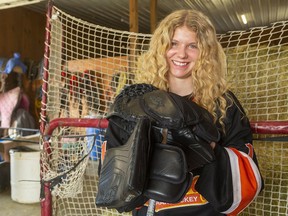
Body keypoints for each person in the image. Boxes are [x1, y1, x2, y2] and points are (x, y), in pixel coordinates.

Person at [97, 9, 264, 216]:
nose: (182, 54)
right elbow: (112, 187)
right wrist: (138, 153)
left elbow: (249, 182)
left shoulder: (224, 104)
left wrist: (208, 147)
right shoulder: (135, 103)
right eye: (173, 43)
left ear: (206, 52)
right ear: (161, 48)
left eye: (192, 46)